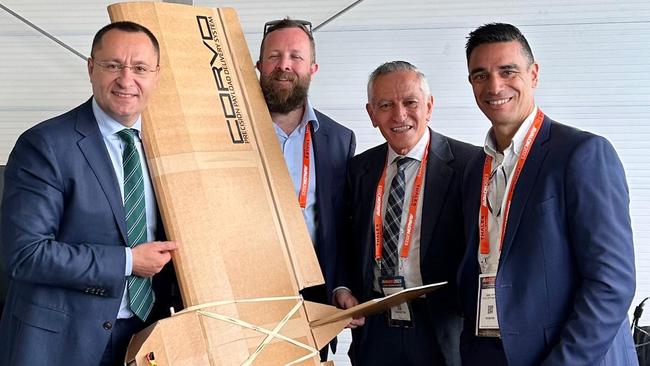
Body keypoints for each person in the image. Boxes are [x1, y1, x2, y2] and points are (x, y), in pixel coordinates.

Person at [0, 21, 180, 366]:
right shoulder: (45, 146)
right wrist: (129, 261)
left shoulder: (170, 148)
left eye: (140, 68)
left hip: (148, 338)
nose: (126, 80)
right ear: (90, 68)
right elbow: (26, 254)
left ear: (156, 76)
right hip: (62, 342)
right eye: (113, 65)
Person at [457, 23, 638, 366]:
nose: (495, 85)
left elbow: (611, 284)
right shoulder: (474, 168)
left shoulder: (582, 154)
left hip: (567, 357)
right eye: (480, 75)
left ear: (534, 74)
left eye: (507, 71)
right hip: (489, 352)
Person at [334, 61, 479, 366]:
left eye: (410, 102)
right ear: (371, 114)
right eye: (385, 105)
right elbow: (345, 240)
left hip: (442, 326)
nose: (399, 115)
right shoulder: (359, 170)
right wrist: (343, 288)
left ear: (429, 106)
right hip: (376, 328)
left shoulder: (471, 164)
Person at [256, 17, 356, 359]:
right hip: (242, 296)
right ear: (257, 65)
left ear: (312, 68)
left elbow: (340, 227)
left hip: (311, 300)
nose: (284, 65)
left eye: (295, 56)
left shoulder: (339, 140)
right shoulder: (224, 132)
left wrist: (340, 286)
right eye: (274, 56)